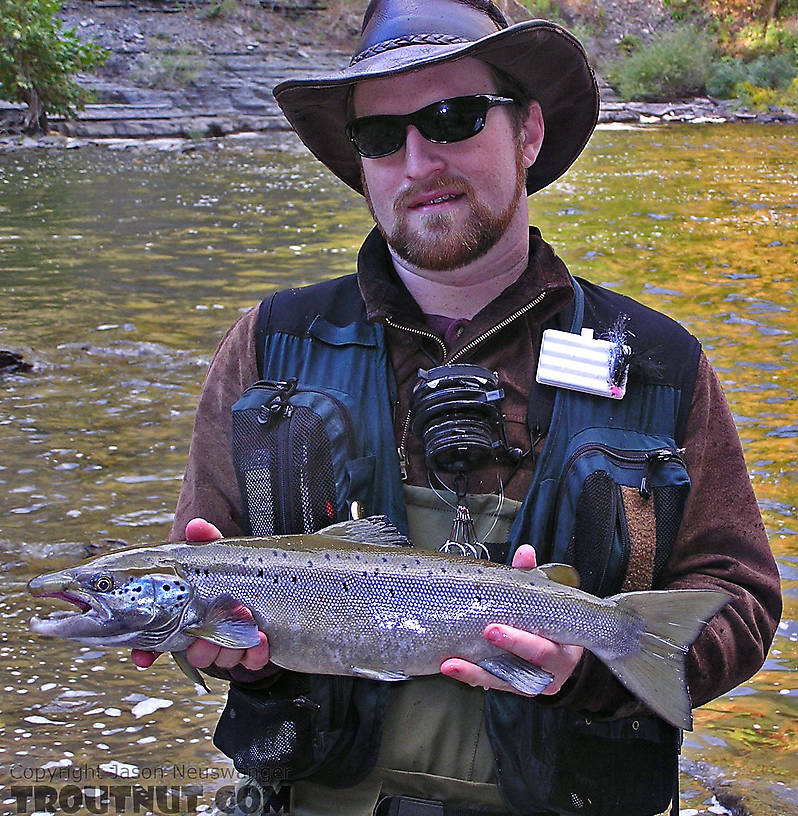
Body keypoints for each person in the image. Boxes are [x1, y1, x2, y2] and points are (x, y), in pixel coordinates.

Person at [134, 1, 782, 814]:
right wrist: (232, 650)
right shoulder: (269, 345)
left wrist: (594, 668)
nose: (416, 161)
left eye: (454, 117)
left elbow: (738, 597)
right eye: (380, 136)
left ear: (529, 134)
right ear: (361, 163)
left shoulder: (659, 362)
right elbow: (201, 584)